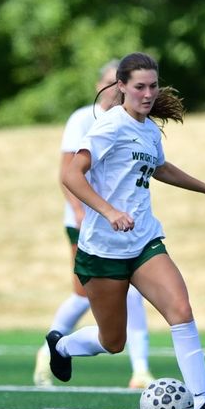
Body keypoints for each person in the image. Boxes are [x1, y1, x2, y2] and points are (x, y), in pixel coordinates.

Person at [45, 51, 205, 409]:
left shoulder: (149, 129)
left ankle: (201, 405)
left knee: (181, 311)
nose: (148, 94)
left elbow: (160, 167)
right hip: (103, 250)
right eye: (139, 87)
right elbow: (72, 175)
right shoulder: (109, 127)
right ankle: (62, 345)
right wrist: (108, 211)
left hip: (144, 241)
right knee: (113, 341)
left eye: (153, 86)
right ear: (121, 87)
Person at [33, 60, 154, 389]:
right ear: (106, 84)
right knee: (83, 294)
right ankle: (49, 350)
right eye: (112, 82)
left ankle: (140, 369)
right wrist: (81, 211)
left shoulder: (133, 122)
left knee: (133, 293)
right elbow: (68, 171)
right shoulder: (84, 118)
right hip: (86, 223)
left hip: (124, 227)